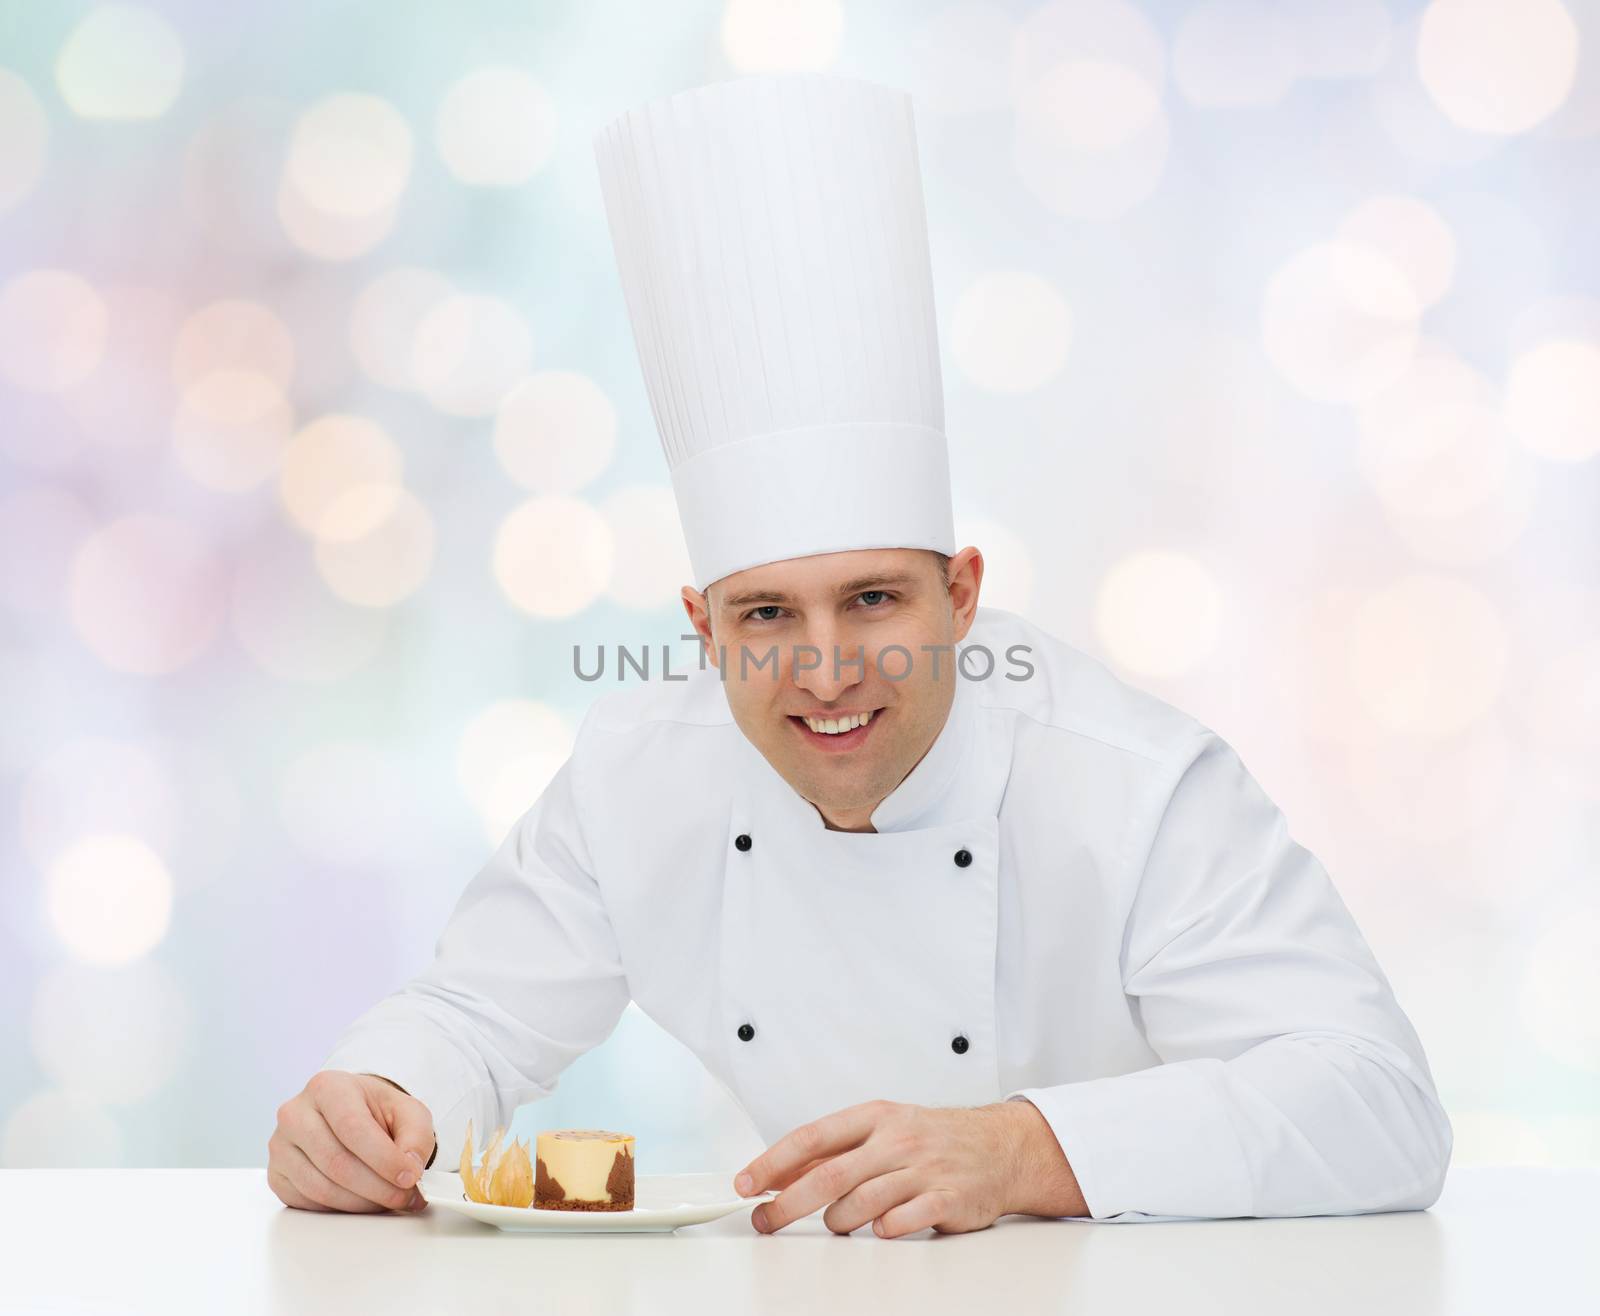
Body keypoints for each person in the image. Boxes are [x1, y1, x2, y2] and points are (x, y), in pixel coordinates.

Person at [268, 72, 1451, 1236]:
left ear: (961, 592)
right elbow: (472, 1012)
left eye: (873, 600)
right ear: (702, 627)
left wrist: (1022, 1146)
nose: (826, 669)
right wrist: (378, 1102)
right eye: (767, 616)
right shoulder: (639, 767)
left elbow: (1380, 1101)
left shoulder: (1133, 785)